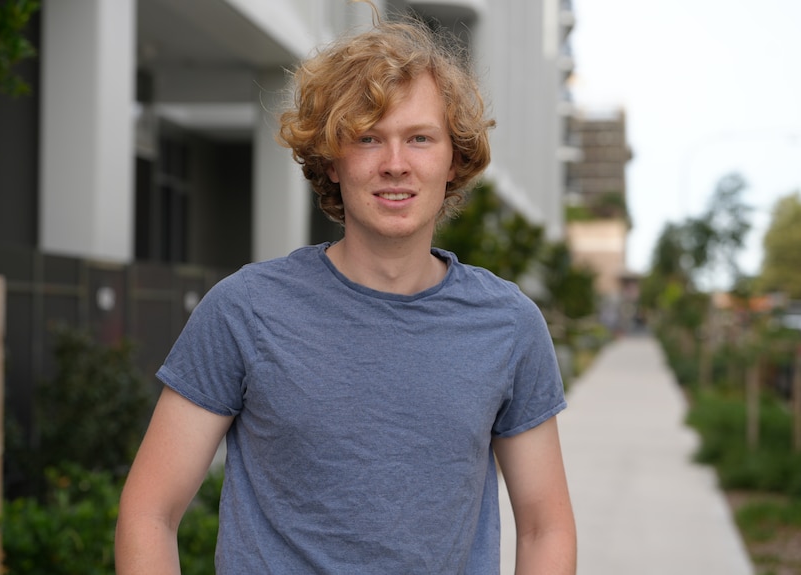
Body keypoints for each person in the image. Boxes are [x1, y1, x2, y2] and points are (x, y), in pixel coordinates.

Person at [115, 4, 576, 574]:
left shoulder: (509, 325)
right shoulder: (246, 310)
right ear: (331, 160)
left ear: (454, 159)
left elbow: (544, 526)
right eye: (367, 139)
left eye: (420, 139)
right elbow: (148, 512)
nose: (395, 164)